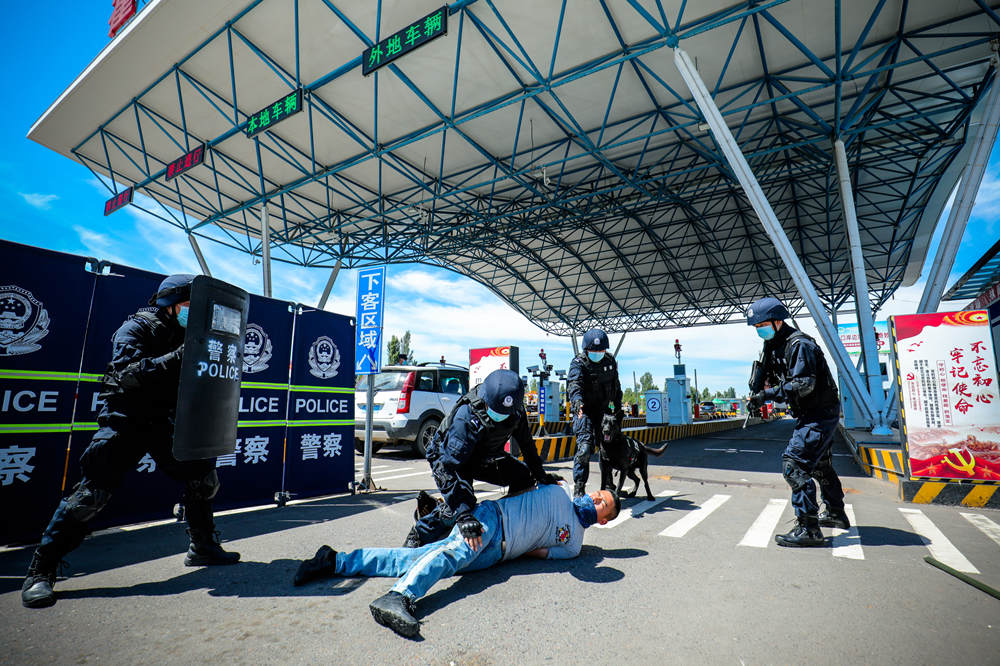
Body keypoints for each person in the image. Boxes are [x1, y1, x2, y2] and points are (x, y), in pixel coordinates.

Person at [21, 274, 239, 609]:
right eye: (188, 305)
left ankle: (203, 547)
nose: (193, 312)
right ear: (170, 304)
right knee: (90, 496)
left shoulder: (191, 333)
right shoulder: (136, 328)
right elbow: (128, 375)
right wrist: (180, 356)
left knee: (203, 479)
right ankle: (41, 571)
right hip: (127, 418)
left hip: (167, 421)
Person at [293, 482, 620, 637]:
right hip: (492, 519)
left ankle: (334, 561)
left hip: (497, 554)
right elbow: (522, 489)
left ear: (604, 520)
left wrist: (516, 542)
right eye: (597, 493)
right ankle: (399, 596)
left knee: (414, 560)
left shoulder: (573, 546)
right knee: (451, 555)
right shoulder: (560, 490)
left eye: (602, 502)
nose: (594, 497)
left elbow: (536, 552)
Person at [402, 369, 562, 548]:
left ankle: (503, 522)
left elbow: (527, 446)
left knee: (524, 477)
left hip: (484, 456)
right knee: (463, 504)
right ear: (486, 400)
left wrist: (542, 476)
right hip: (451, 459)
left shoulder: (516, 412)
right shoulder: (467, 415)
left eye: (505, 413)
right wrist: (463, 514)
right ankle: (420, 532)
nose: (500, 417)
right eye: (496, 411)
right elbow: (446, 468)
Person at [745, 297, 849, 548]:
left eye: (762, 325)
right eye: (756, 327)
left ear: (778, 321)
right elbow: (772, 376)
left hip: (819, 413)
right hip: (812, 413)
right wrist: (759, 388)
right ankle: (835, 512)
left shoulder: (800, 345)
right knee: (820, 466)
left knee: (794, 465)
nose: (760, 330)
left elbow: (803, 384)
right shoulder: (774, 346)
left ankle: (808, 528)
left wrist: (766, 395)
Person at [568, 328, 623, 497]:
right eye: (594, 351)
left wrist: (617, 409)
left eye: (601, 351)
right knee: (584, 448)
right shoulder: (578, 363)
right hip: (584, 411)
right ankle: (579, 487)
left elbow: (616, 387)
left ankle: (608, 483)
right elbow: (574, 384)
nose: (598, 354)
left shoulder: (610, 361)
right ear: (586, 350)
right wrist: (577, 403)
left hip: (605, 413)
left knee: (608, 449)